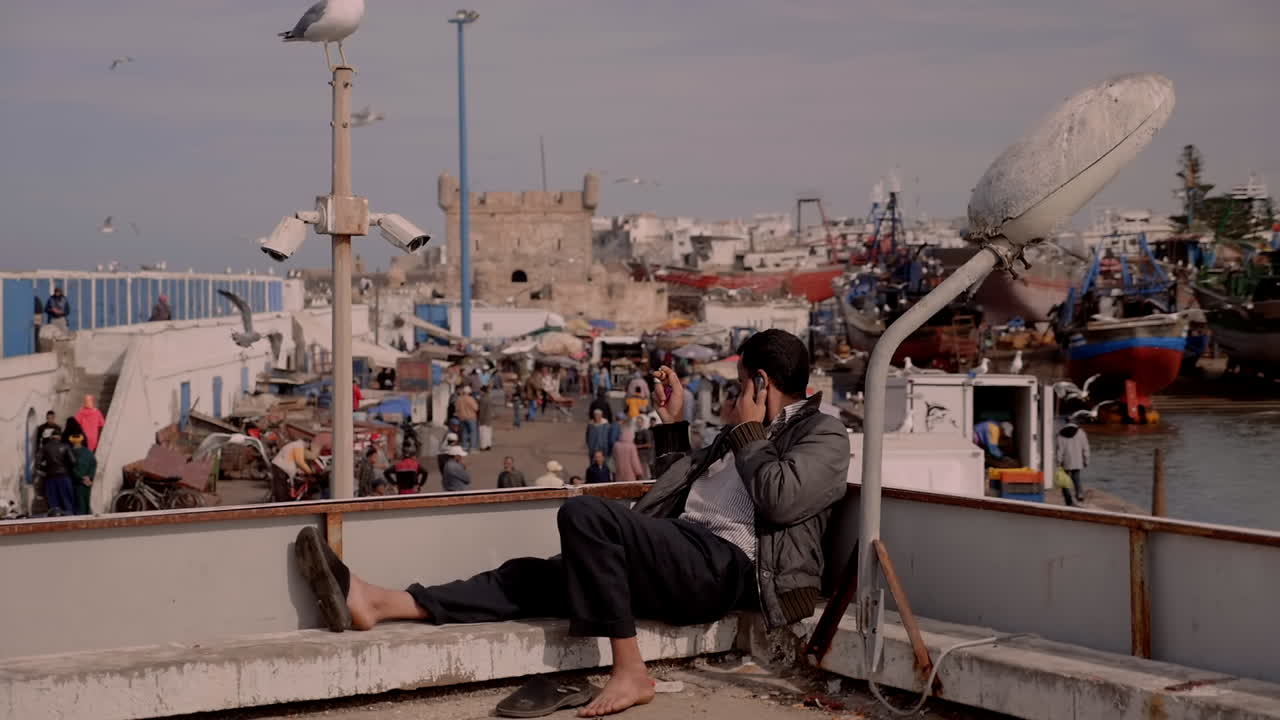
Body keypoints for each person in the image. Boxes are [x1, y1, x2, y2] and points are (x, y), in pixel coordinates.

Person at [289, 328, 850, 718]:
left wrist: (750, 430)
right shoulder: (737, 435)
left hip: (730, 569)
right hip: (682, 551)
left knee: (584, 512)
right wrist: (674, 425)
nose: (730, 398)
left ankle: (629, 671)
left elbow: (778, 502)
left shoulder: (822, 435)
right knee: (534, 576)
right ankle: (383, 602)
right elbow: (677, 492)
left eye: (737, 386)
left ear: (759, 383)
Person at [39, 428, 78, 515]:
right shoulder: (65, 446)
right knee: (67, 500)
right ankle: (70, 518)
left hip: (50, 477)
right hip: (63, 476)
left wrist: (46, 469)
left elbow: (38, 463)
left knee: (53, 503)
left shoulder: (45, 447)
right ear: (59, 437)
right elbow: (73, 461)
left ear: (51, 437)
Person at [1056, 422, 1091, 504]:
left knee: (1064, 480)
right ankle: (1079, 494)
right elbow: (1086, 448)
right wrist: (1086, 460)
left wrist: (1058, 461)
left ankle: (1068, 498)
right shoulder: (1081, 433)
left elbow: (1059, 450)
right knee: (1076, 478)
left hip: (1065, 461)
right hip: (1077, 461)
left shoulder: (1061, 433)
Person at [271, 438, 314, 502]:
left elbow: (293, 460)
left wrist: (299, 470)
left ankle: (279, 502)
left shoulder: (295, 444)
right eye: (309, 446)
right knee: (281, 487)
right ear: (307, 443)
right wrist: (310, 472)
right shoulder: (299, 446)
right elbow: (300, 461)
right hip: (281, 467)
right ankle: (281, 504)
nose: (308, 448)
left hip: (278, 465)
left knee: (280, 485)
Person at [68, 433, 97, 514]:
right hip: (86, 482)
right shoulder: (88, 452)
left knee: (79, 504)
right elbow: (93, 465)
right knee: (85, 503)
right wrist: (89, 477)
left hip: (78, 482)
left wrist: (82, 478)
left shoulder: (70, 452)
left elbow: (70, 469)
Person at [454, 386, 479, 451]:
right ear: (469, 392)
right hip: (471, 418)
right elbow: (476, 408)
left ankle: (464, 446)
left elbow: (456, 409)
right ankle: (472, 447)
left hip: (462, 418)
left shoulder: (459, 399)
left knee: (464, 432)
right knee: (473, 432)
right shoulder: (470, 399)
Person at [476, 386, 494, 451]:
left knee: (483, 433)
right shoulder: (489, 397)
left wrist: (480, 419)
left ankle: (483, 446)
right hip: (489, 418)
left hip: (484, 419)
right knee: (488, 433)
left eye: (480, 391)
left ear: (483, 391)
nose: (480, 393)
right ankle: (488, 445)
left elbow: (482, 410)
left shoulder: (483, 399)